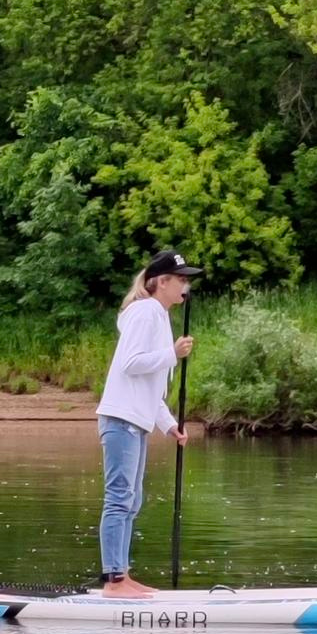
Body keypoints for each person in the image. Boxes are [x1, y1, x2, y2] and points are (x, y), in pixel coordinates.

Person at [94, 249, 194, 592]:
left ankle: (122, 575)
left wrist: (169, 424)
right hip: (121, 418)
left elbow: (151, 387)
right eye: (180, 279)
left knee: (132, 499)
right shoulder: (145, 311)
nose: (185, 286)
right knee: (119, 498)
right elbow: (131, 363)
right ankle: (113, 580)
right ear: (161, 282)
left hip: (135, 420)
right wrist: (172, 354)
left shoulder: (159, 316)